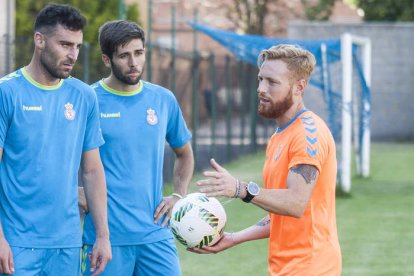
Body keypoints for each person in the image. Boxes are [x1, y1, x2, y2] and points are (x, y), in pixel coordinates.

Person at [194, 44, 342, 275]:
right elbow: (279, 215)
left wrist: (240, 188)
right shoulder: (280, 136)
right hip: (286, 268)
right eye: (261, 79)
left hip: (311, 267)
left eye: (272, 82)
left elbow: (295, 203)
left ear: (299, 87)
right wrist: (233, 238)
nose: (261, 89)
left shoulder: (307, 135)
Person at [0, 4, 111, 276]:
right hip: (17, 244)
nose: (72, 55)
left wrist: (103, 236)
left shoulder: (84, 96)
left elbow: (93, 170)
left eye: (77, 46)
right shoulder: (7, 92)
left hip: (67, 243)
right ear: (40, 40)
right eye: (64, 44)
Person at [80, 20, 194, 276]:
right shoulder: (88, 99)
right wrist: (72, 191)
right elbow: (56, 154)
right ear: (107, 59)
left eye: (139, 53)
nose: (133, 62)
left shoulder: (163, 99)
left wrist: (178, 195)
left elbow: (184, 154)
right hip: (105, 237)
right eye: (124, 55)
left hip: (156, 234)